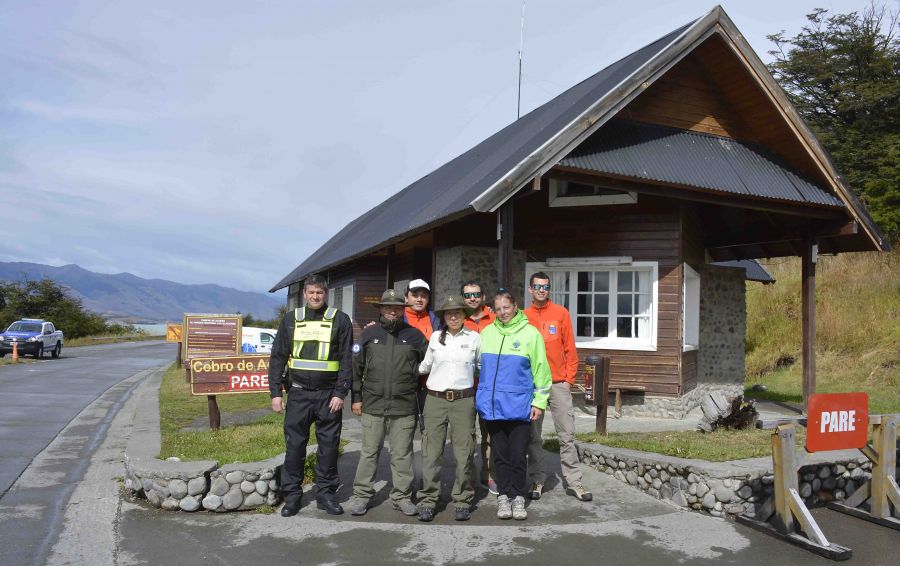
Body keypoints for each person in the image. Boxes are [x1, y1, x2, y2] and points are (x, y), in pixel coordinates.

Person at [268, 274, 353, 517]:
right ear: (304, 294)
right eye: (311, 292)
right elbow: (278, 358)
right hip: (298, 394)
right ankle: (292, 497)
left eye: (320, 293)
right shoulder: (291, 320)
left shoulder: (340, 320)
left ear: (326, 294)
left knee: (328, 448)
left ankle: (325, 495)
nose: (315, 296)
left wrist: (340, 393)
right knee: (295, 447)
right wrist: (276, 393)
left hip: (329, 397)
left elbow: (347, 361)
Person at [349, 288, 428, 517]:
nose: (392, 311)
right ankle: (362, 495)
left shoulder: (414, 336)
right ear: (381, 309)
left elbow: (430, 366)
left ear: (402, 310)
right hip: (373, 404)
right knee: (369, 452)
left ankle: (401, 497)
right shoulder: (368, 335)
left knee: (402, 454)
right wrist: (356, 398)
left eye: (397, 308)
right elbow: (356, 369)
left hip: (404, 407)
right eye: (388, 307)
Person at [477, 289, 551, 521]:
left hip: (520, 407)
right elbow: (480, 367)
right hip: (494, 407)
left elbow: (541, 370)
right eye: (497, 309)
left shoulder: (531, 334)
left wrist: (539, 402)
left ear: (515, 306)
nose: (502, 313)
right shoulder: (487, 333)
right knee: (499, 455)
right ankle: (503, 494)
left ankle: (518, 496)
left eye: (506, 308)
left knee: (518, 455)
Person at [524, 272, 593, 502]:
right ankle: (537, 479)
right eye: (537, 286)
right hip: (534, 387)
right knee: (533, 437)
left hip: (558, 384)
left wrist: (568, 379)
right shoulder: (523, 316)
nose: (542, 290)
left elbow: (570, 349)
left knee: (567, 436)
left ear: (549, 289)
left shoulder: (561, 313)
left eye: (545, 286)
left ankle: (574, 482)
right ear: (530, 289)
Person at [416, 294, 481, 522]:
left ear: (464, 315)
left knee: (464, 453)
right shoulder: (435, 338)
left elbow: (481, 367)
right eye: (449, 313)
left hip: (463, 401)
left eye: (457, 312)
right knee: (431, 453)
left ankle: (462, 499)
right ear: (443, 316)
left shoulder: (474, 338)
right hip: (435, 400)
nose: (453, 316)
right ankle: (428, 499)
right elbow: (424, 366)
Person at [461, 279, 497, 495]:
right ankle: (466, 477)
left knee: (489, 434)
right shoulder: (456, 319)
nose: (472, 298)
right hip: (464, 387)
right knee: (466, 435)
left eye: (476, 294)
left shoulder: (494, 318)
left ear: (483, 297)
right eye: (468, 295)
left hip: (488, 387)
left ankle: (489, 475)